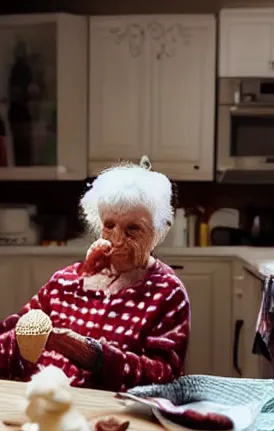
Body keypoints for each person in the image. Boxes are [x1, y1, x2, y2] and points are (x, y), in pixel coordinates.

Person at [0, 156, 190, 391]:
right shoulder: (66, 280)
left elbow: (164, 377)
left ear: (159, 231)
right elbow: (13, 334)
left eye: (133, 229)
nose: (118, 240)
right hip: (40, 402)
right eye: (109, 225)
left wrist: (92, 354)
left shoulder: (167, 292)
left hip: (108, 412)